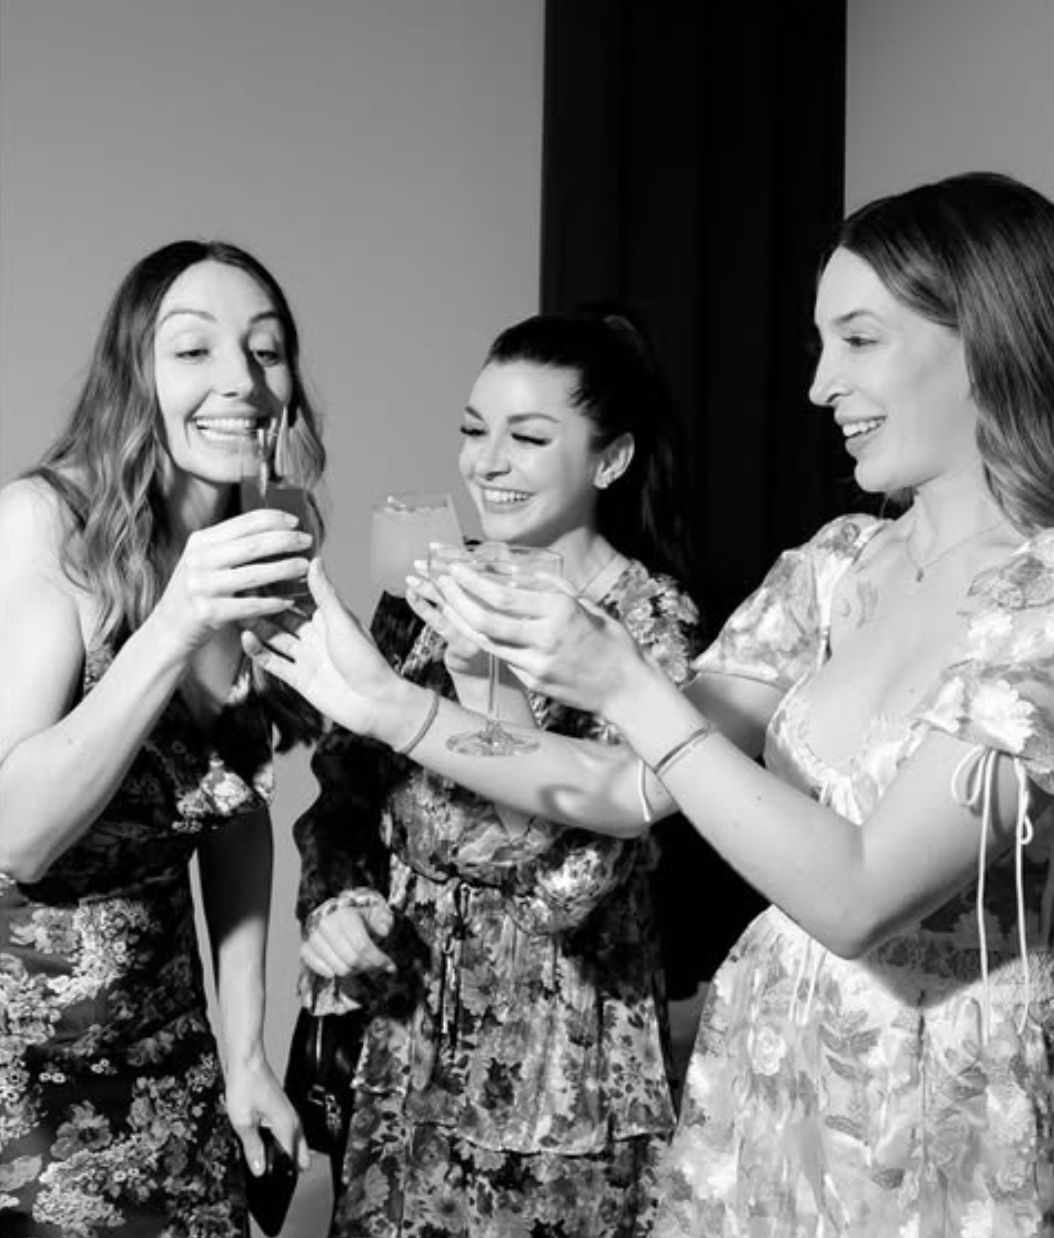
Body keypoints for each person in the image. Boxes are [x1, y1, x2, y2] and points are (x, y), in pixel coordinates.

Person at [244, 172, 1054, 1236]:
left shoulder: (1038, 600)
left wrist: (622, 678)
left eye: (858, 340)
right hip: (771, 1078)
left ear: (988, 338)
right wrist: (391, 704)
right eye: (819, 344)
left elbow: (857, 898)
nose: (819, 386)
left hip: (935, 1101)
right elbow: (626, 786)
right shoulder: (832, 568)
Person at [287, 311, 705, 1237]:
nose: (486, 463)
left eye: (528, 437)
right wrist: (339, 903)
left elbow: (568, 883)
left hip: (556, 1069)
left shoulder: (644, 627)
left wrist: (483, 684)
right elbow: (343, 795)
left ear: (610, 459)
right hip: (403, 1041)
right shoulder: (427, 588)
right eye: (475, 431)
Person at [0, 239, 320, 1236]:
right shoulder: (45, 524)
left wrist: (247, 1054)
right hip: (21, 1080)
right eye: (194, 351)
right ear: (132, 371)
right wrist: (176, 623)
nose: (240, 379)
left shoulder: (263, 533)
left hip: (172, 1071)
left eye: (265, 351)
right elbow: (18, 831)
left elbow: (233, 809)